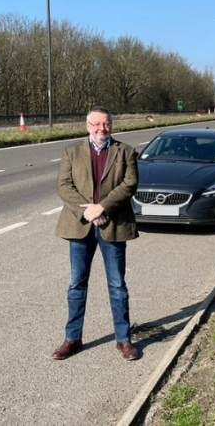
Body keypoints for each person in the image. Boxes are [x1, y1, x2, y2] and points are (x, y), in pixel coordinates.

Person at [51, 105, 141, 361]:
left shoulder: (125, 152)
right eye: (97, 124)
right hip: (80, 227)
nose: (102, 128)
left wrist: (102, 207)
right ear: (87, 126)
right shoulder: (71, 152)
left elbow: (130, 184)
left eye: (107, 124)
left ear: (111, 125)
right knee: (77, 285)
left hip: (113, 225)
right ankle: (72, 338)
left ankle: (123, 340)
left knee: (117, 285)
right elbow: (64, 185)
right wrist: (88, 212)